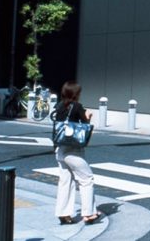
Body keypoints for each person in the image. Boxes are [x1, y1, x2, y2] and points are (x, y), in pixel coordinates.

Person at [53, 81, 100, 225]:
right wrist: (89, 117)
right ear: (75, 94)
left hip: (59, 149)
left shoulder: (59, 106)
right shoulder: (77, 107)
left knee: (65, 181)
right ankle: (89, 213)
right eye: (79, 93)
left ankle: (63, 213)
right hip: (73, 151)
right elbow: (84, 129)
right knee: (86, 179)